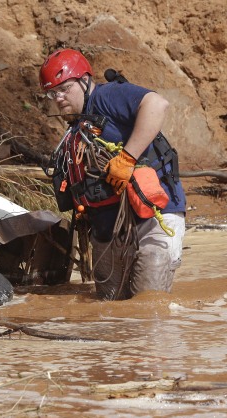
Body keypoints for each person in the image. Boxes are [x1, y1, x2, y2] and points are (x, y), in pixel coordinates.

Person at [39, 48, 187, 300]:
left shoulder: (108, 96)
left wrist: (127, 158)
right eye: (52, 93)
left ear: (85, 80)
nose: (59, 98)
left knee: (147, 304)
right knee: (109, 310)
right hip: (106, 230)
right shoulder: (75, 130)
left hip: (153, 218)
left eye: (64, 88)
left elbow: (157, 104)